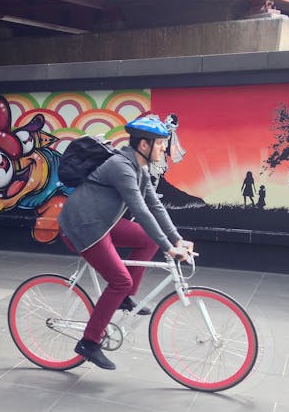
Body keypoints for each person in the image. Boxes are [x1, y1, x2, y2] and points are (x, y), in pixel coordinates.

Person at [58, 116, 193, 370]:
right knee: (121, 280)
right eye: (161, 143)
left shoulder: (139, 168)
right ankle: (89, 342)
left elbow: (155, 206)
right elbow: (140, 210)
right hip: (83, 227)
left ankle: (123, 298)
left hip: (103, 223)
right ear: (144, 145)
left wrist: (176, 239)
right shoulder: (121, 167)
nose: (164, 148)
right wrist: (169, 247)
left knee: (147, 240)